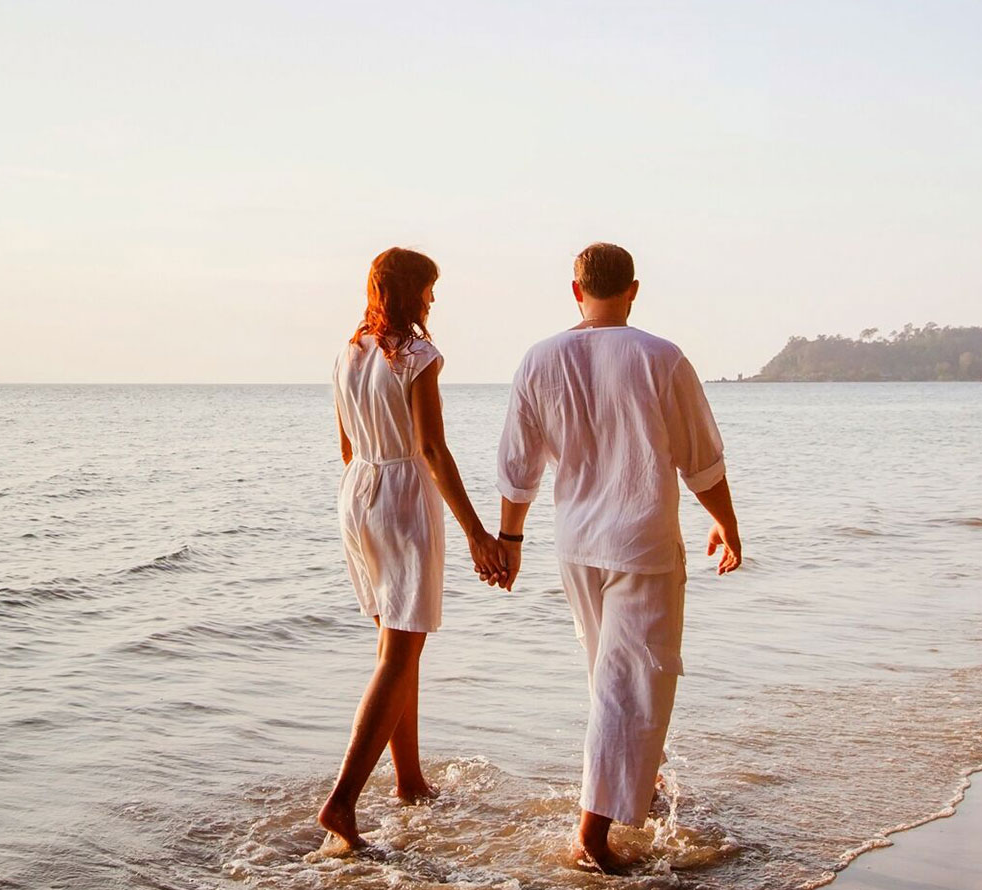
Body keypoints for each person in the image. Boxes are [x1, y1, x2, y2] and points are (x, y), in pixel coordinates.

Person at [490, 242, 743, 872]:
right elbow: (700, 458)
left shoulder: (539, 359)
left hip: (577, 545)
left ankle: (640, 790)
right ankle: (592, 839)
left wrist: (510, 542)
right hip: (642, 542)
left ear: (575, 290)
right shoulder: (661, 357)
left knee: (610, 676)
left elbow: (516, 469)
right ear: (633, 289)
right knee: (631, 685)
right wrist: (728, 524)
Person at [317, 247, 508, 852]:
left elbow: (347, 446)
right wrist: (479, 534)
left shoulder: (349, 352)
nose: (433, 299)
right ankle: (343, 803)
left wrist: (367, 501)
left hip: (358, 493)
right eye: (429, 288)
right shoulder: (418, 357)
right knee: (400, 652)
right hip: (401, 493)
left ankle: (409, 780)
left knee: (396, 645)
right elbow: (431, 450)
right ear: (409, 293)